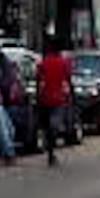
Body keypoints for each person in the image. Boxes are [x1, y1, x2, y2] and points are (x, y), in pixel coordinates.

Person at [35, 35, 72, 166]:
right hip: (58, 98)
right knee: (54, 124)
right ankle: (52, 148)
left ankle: (49, 149)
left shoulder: (43, 62)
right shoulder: (63, 62)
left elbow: (38, 80)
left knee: (46, 125)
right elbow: (68, 79)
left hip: (44, 97)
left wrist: (37, 95)